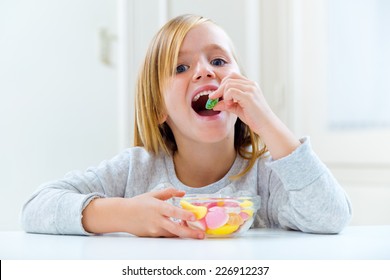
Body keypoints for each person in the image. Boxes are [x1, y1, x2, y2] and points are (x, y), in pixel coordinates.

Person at [21, 14, 352, 239]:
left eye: (219, 61)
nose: (205, 71)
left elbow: (331, 216)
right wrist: (126, 215)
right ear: (156, 109)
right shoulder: (134, 171)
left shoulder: (265, 178)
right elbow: (36, 208)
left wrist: (267, 121)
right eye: (181, 66)